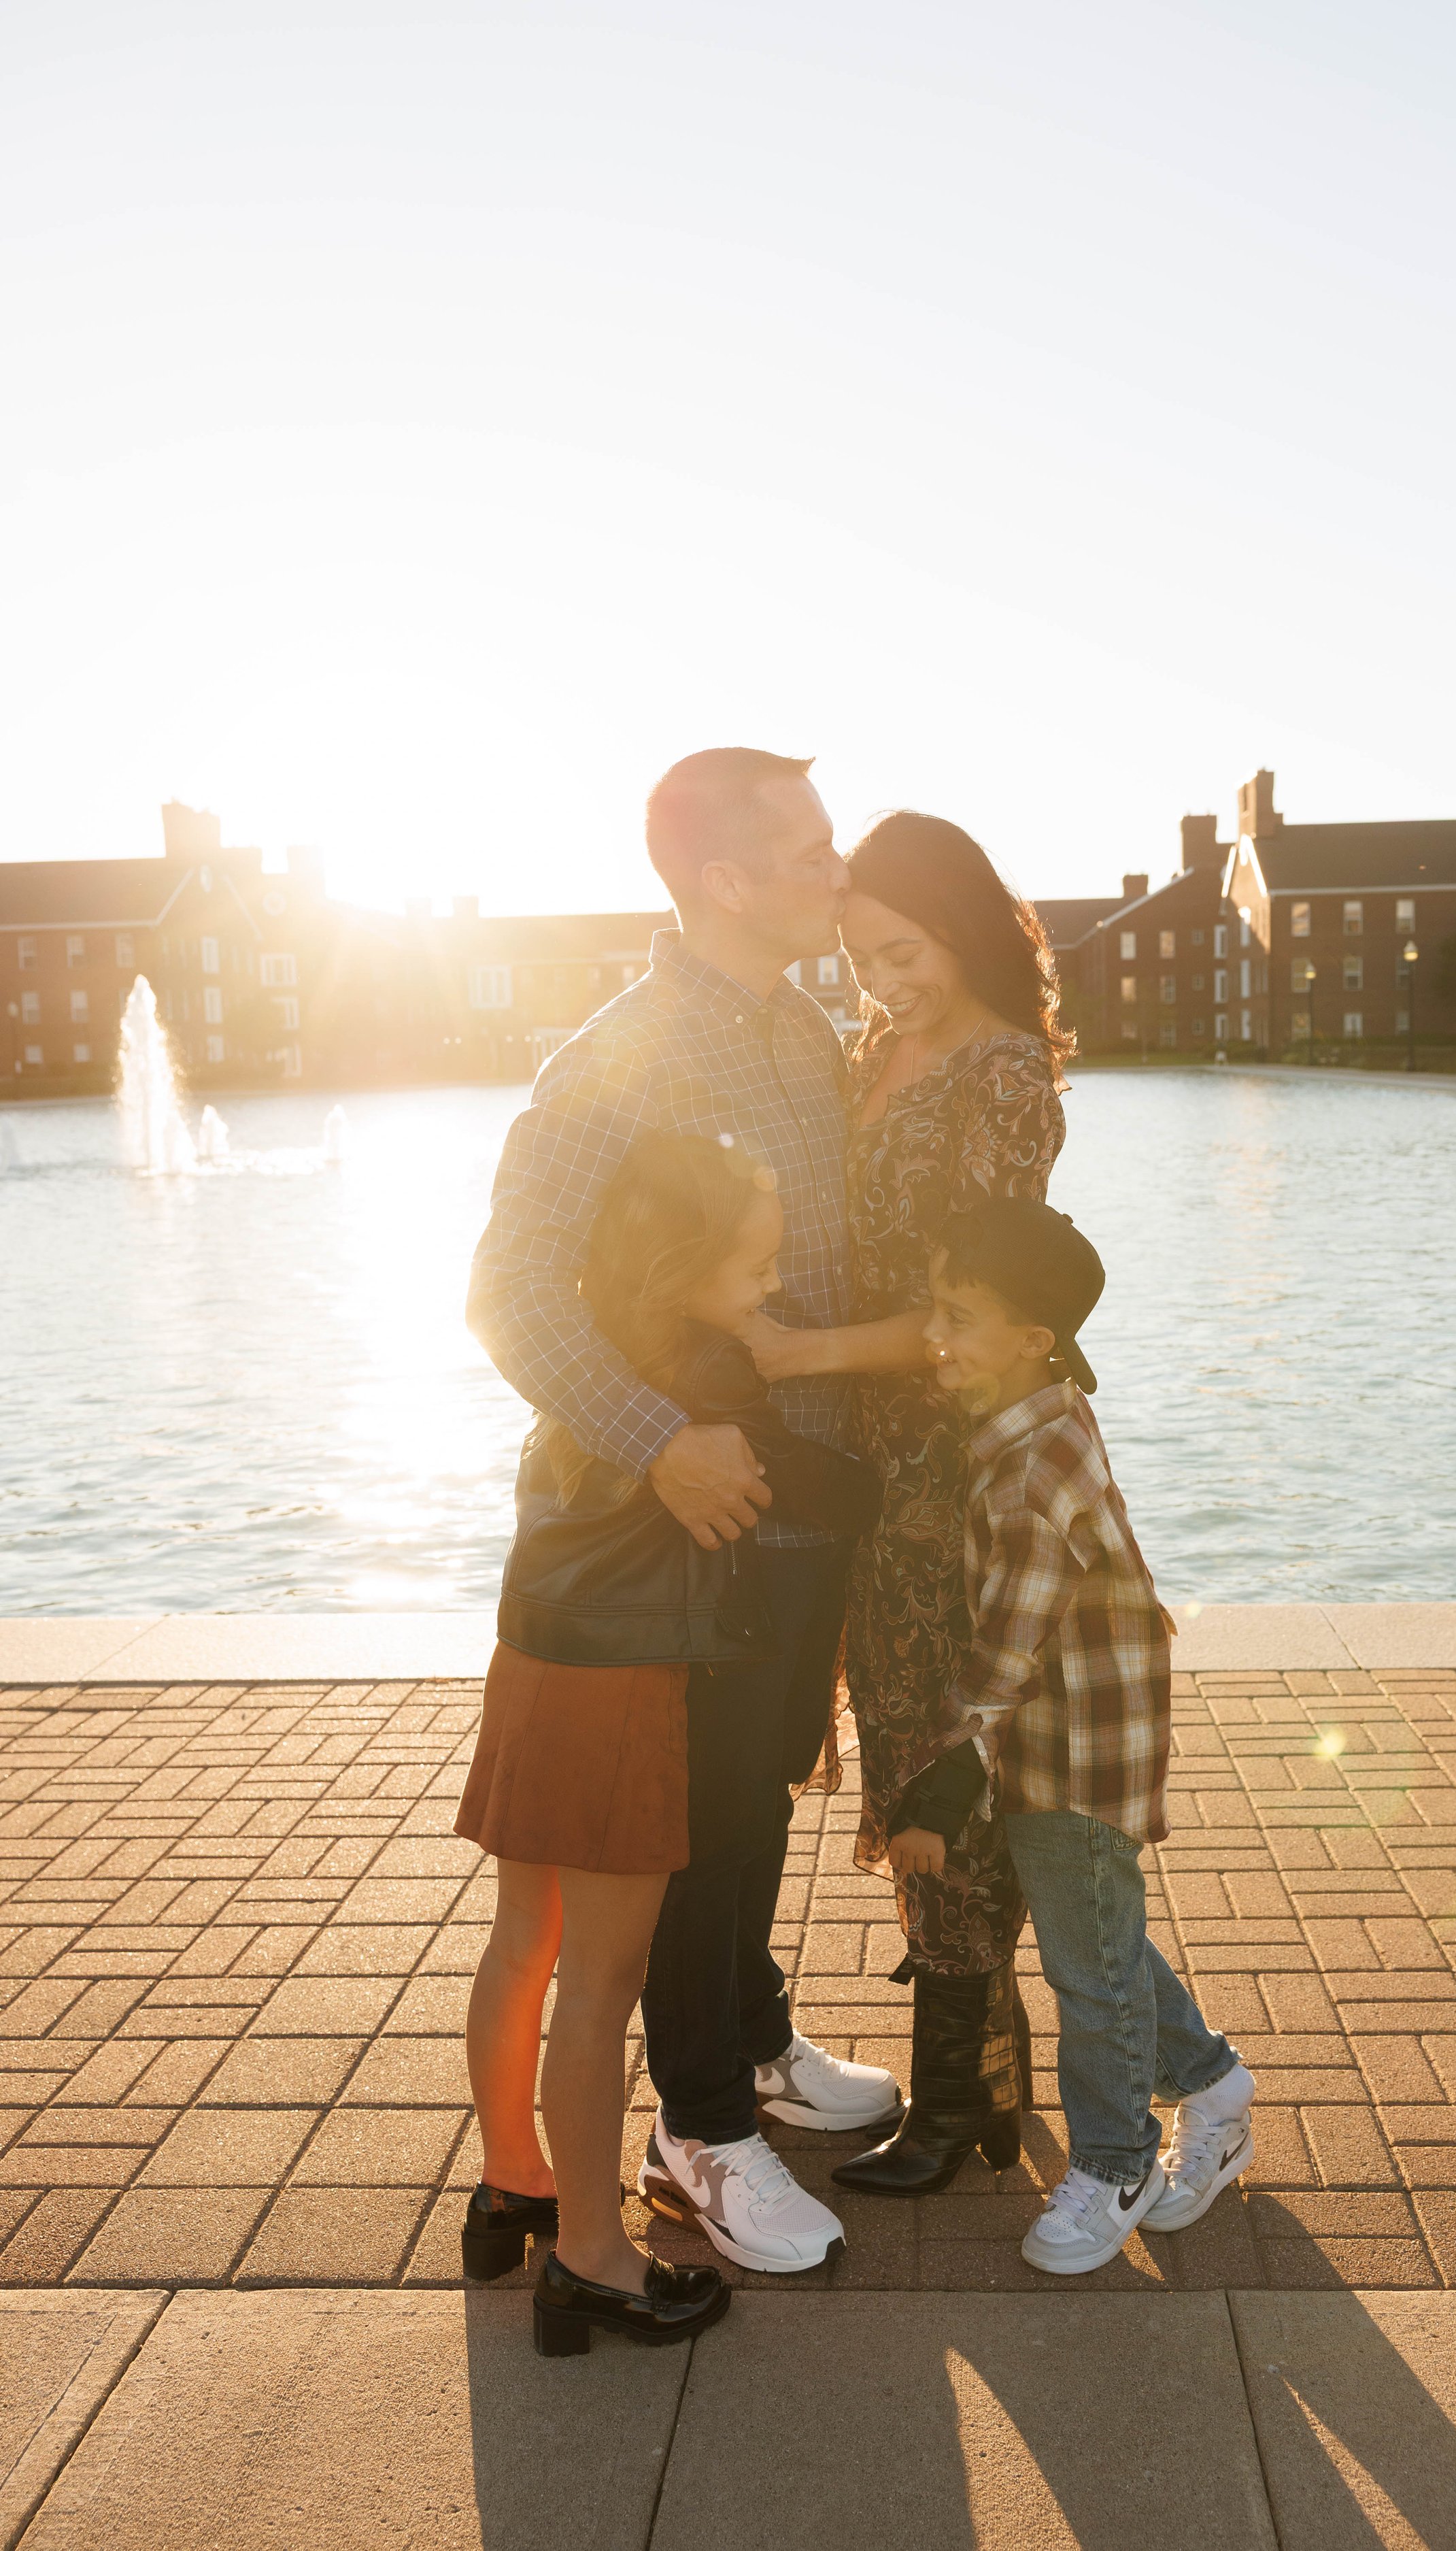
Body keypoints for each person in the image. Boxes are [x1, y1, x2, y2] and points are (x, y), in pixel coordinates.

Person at [467, 748, 902, 2285]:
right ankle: (703, 2131)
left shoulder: (814, 1028)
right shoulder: (617, 1054)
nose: (834, 874)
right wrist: (661, 1443)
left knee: (761, 1803)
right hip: (694, 1529)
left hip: (806, 1512)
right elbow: (509, 1294)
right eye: (808, 852)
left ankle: (757, 2037)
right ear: (721, 878)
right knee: (703, 1828)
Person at [457, 1130, 879, 2353]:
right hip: (626, 1687)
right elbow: (836, 1494)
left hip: (535, 1659)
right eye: (755, 1260)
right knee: (600, 1985)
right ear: (684, 1263)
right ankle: (592, 2258)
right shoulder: (707, 1382)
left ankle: (512, 2187)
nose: (774, 1276)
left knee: (522, 1943)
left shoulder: (594, 1371)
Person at [741, 812, 1067, 2197]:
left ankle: (955, 2106)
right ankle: (983, 2080)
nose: (882, 985)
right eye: (860, 959)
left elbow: (974, 1311)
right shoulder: (879, 1051)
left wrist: (803, 1351)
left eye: (905, 952)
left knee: (948, 1751)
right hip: (868, 1465)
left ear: (966, 928)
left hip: (955, 1462)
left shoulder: (1002, 1078)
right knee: (901, 1739)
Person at [883, 1199, 1256, 2272]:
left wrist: (938, 1786)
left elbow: (1006, 1654)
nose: (937, 1335)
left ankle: (1115, 2158)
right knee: (1099, 1936)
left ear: (1033, 1335)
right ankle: (1216, 2086)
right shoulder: (1032, 1414)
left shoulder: (1036, 1466)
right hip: (1063, 1731)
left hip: (1073, 1743)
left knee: (1087, 1969)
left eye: (961, 1314)